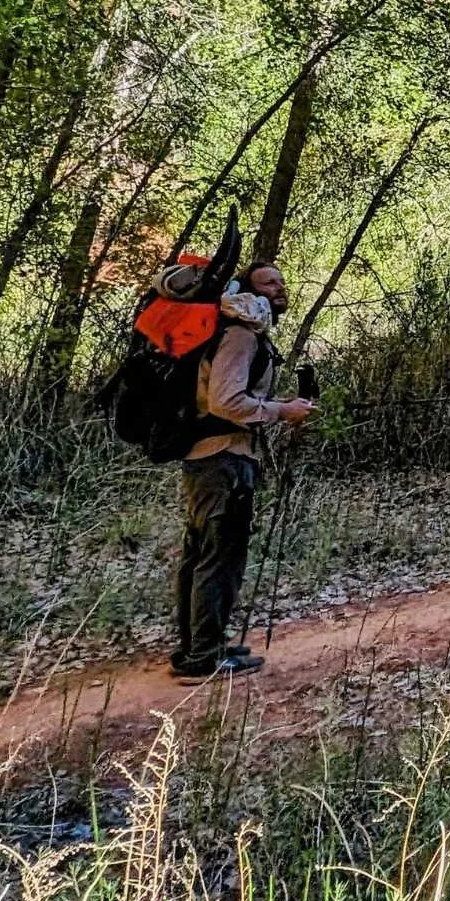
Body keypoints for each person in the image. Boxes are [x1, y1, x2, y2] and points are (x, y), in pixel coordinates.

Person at [171, 262, 314, 681]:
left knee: (202, 556)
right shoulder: (240, 334)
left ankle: (199, 646)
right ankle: (205, 657)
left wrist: (277, 407)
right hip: (223, 461)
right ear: (249, 293)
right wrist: (281, 411)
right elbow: (226, 402)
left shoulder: (239, 332)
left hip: (212, 459)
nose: (280, 286)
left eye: (282, 280)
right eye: (269, 282)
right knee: (220, 558)